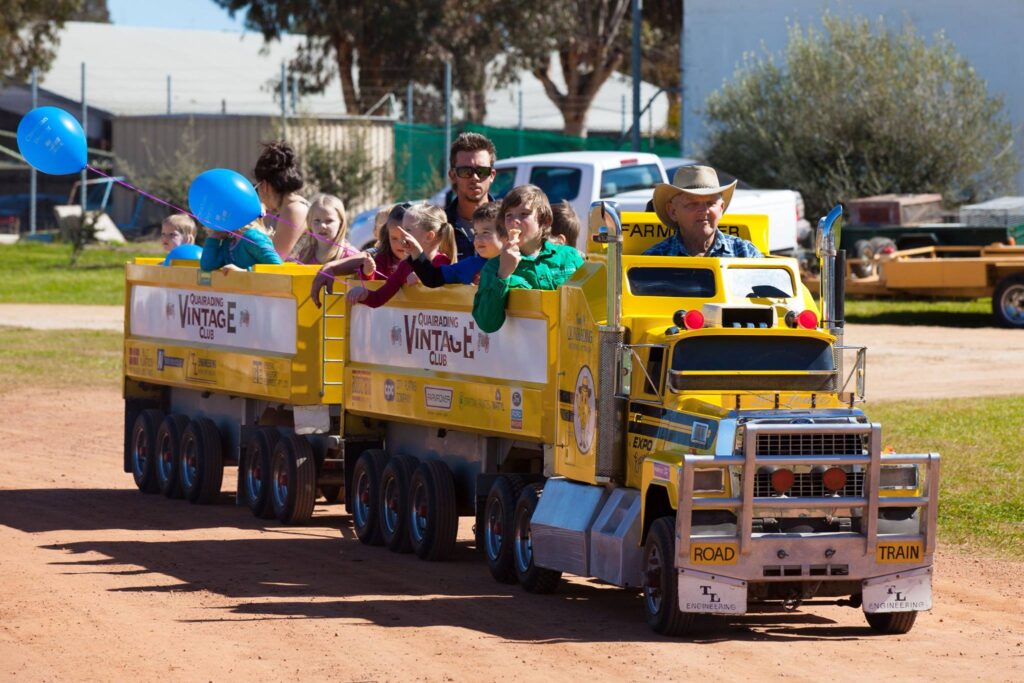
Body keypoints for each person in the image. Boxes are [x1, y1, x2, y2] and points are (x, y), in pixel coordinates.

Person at [473, 184, 584, 333]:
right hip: (526, 354)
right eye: (509, 215)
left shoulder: (570, 256)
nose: (514, 221)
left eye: (524, 214)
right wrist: (503, 274)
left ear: (545, 221)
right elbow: (487, 323)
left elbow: (592, 306)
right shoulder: (493, 267)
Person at [347, 204, 456, 309]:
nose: (401, 235)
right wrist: (363, 293)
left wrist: (422, 276)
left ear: (429, 236)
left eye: (407, 230)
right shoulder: (404, 266)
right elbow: (379, 298)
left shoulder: (443, 263)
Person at [644, 165, 762, 258]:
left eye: (711, 203)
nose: (704, 211)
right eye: (692, 204)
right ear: (673, 211)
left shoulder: (745, 253)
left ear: (721, 208)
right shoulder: (654, 258)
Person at [309, 203, 410, 308]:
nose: (400, 243)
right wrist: (368, 274)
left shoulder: (422, 261)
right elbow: (378, 295)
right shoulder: (383, 257)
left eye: (407, 236)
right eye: (394, 238)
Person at [400, 202, 505, 287]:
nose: (478, 238)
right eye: (476, 233)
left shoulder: (519, 264)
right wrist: (416, 253)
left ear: (506, 235)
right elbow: (432, 278)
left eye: (485, 232)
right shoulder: (469, 265)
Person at [445, 132, 498, 260]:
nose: (474, 178)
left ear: (492, 175)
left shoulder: (508, 223)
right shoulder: (439, 226)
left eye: (482, 171)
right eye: (465, 171)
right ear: (452, 176)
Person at [253, 141, 308, 259]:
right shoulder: (287, 208)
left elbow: (274, 258)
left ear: (265, 186)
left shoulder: (294, 209)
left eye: (257, 187)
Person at [292, 194, 361, 266]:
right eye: (317, 220)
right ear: (310, 223)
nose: (322, 225)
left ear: (341, 223)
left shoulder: (351, 256)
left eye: (329, 221)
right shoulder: (305, 255)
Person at [199, 221, 282, 272]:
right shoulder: (227, 242)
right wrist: (215, 236)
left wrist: (245, 272)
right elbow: (207, 266)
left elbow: (277, 266)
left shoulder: (252, 237)